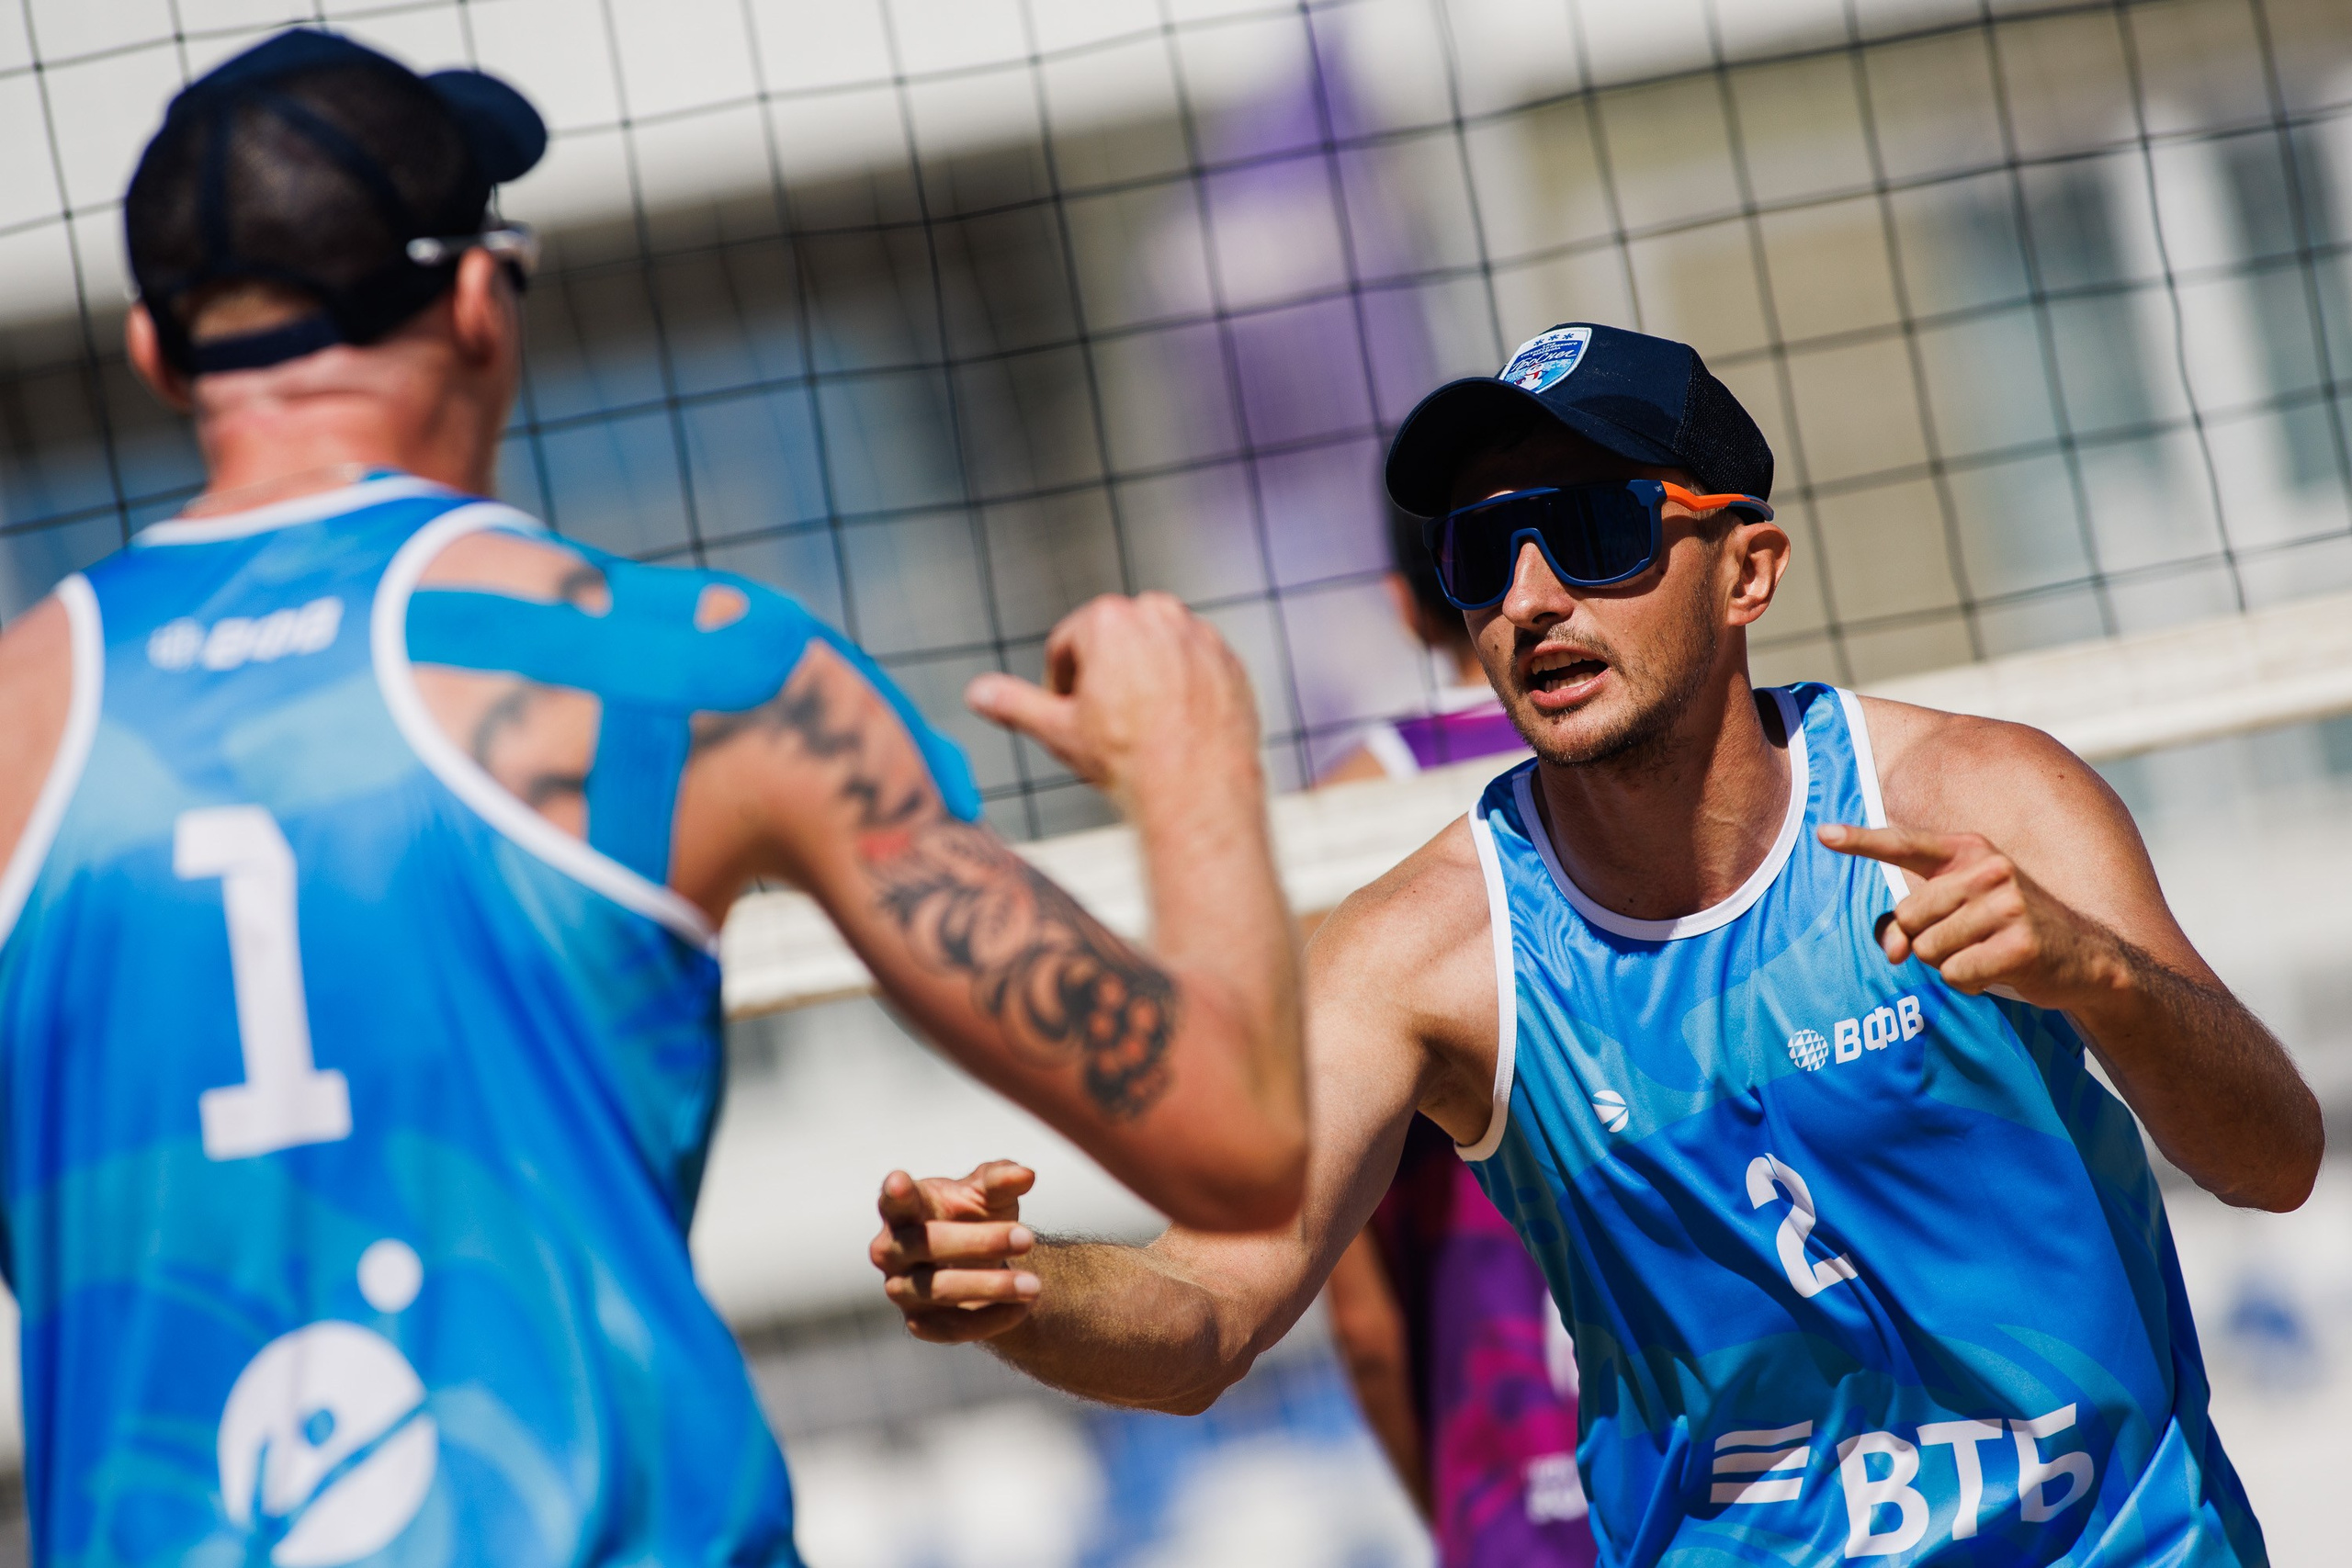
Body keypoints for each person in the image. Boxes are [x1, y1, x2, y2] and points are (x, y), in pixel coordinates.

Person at [0, 29, 1306, 1566]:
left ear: (159, 354)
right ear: (483, 302)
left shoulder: (24, 729)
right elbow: (1235, 1140)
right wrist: (1193, 759)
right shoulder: (674, 674)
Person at [871, 322, 2323, 1566]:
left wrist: (2097, 976)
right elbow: (1203, 1307)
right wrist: (1023, 1284)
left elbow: (2274, 1159)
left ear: (1746, 568)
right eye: (1480, 550)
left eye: (1597, 530)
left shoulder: (1981, 799)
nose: (1528, 597)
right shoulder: (1428, 948)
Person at [1316, 512, 1591, 1564]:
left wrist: (1461, 1521)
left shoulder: (1351, 810)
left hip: (1515, 1474)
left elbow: (1360, 1320)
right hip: (1771, 1469)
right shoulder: (1715, 750)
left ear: (1401, 596)